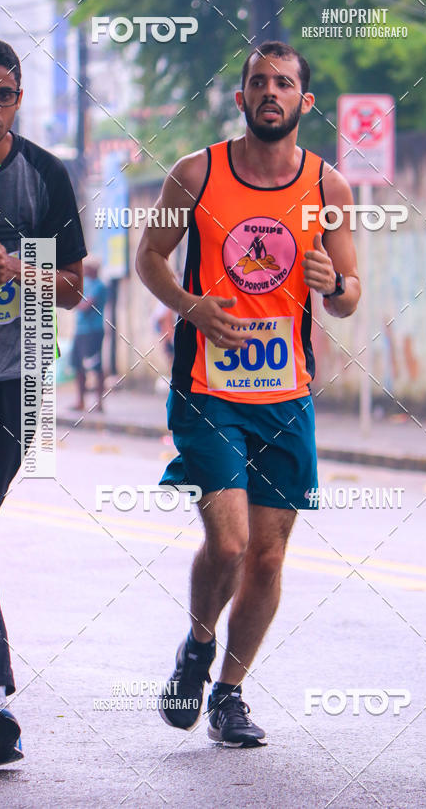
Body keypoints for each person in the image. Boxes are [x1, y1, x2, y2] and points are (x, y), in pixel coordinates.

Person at [136, 41, 361, 747]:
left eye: (284, 83)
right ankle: (198, 644)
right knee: (229, 544)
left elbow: (349, 296)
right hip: (208, 386)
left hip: (286, 392)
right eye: (258, 82)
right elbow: (148, 257)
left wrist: (335, 285)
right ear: (241, 98)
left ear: (304, 102)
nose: (271, 92)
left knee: (268, 556)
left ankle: (229, 693)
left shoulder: (329, 188)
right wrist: (192, 306)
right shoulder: (197, 173)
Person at [0, 35, 86, 764]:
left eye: (4, 94)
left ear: (20, 98)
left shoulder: (43, 176)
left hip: (16, 380)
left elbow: (73, 288)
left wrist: (20, 271)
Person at [71, 255, 107, 412]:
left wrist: (72, 300)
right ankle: (81, 401)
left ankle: (99, 403)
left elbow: (86, 306)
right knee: (78, 366)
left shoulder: (100, 286)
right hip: (80, 330)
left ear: (93, 269)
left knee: (95, 366)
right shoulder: (85, 285)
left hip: (93, 331)